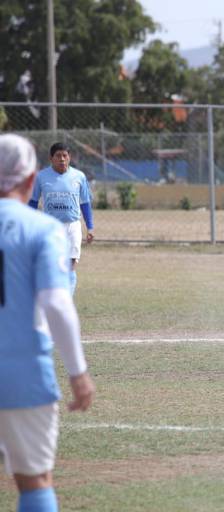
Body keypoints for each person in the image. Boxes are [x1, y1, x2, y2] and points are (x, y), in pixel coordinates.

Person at [0, 134, 95, 512]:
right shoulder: (42, 230)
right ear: (30, 180)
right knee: (34, 482)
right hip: (22, 373)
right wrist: (78, 373)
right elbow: (57, 303)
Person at [28, 143, 95, 295]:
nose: (62, 159)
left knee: (71, 264)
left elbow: (85, 203)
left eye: (65, 155)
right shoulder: (41, 177)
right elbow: (33, 202)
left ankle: (66, 300)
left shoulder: (79, 176)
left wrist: (90, 227)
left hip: (72, 226)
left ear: (69, 157)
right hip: (50, 227)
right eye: (58, 156)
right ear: (51, 158)